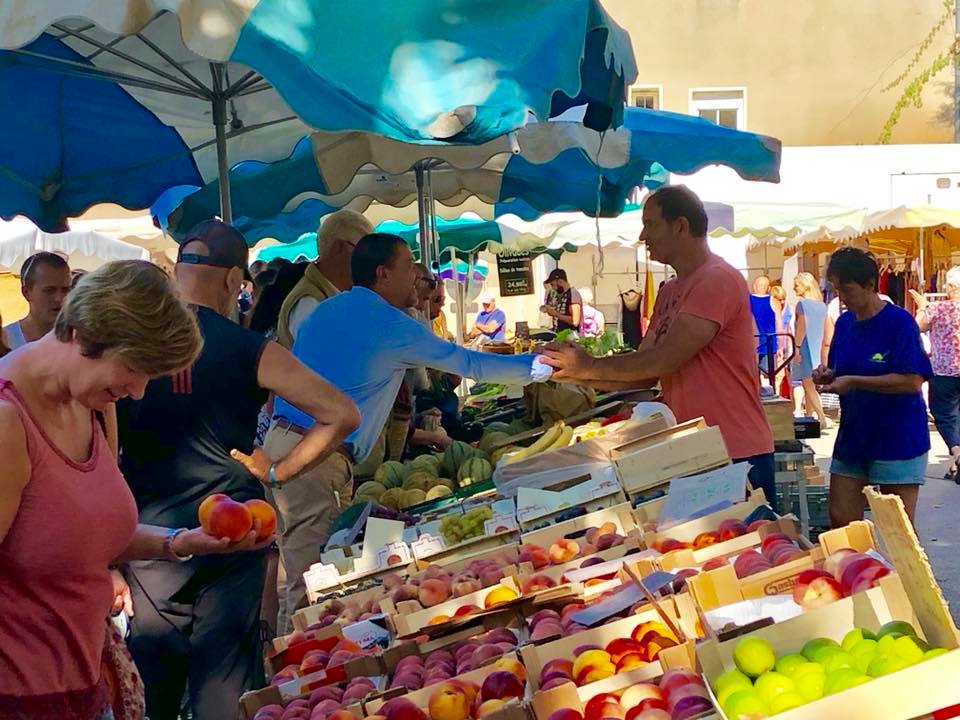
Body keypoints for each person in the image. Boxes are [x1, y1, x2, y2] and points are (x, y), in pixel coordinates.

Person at [0, 260, 277, 720]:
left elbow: (75, 532)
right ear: (85, 336)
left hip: (87, 678)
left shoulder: (92, 405)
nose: (138, 392)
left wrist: (178, 543)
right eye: (134, 370)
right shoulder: (9, 420)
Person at [117, 221, 359, 720]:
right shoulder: (247, 346)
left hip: (148, 538)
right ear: (233, 282)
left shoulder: (130, 346)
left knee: (154, 685)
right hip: (232, 531)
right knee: (225, 687)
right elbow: (342, 413)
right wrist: (279, 472)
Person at [269, 233, 552, 628]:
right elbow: (468, 363)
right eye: (408, 268)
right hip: (315, 455)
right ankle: (296, 677)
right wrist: (541, 365)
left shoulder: (330, 309)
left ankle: (289, 663)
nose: (416, 277)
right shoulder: (387, 322)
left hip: (286, 443)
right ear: (383, 274)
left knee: (295, 574)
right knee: (311, 586)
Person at [538, 186, 777, 506]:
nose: (642, 235)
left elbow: (664, 360)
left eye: (650, 224)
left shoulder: (716, 279)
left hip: (733, 450)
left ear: (680, 226)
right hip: (691, 451)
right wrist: (574, 373)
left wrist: (590, 366)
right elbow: (643, 371)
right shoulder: (669, 291)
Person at [813, 247, 931, 527]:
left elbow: (912, 381)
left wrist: (854, 381)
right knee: (841, 518)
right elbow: (841, 370)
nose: (841, 297)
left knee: (897, 527)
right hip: (855, 434)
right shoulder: (844, 324)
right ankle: (855, 567)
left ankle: (902, 571)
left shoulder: (899, 322)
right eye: (836, 288)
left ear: (869, 285)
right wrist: (827, 375)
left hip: (897, 436)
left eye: (847, 289)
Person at [276, 209, 373, 349]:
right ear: (340, 247)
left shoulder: (335, 294)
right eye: (365, 252)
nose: (370, 261)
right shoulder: (309, 302)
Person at [910, 267, 960, 478]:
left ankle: (957, 454)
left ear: (949, 287)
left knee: (944, 415)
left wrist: (922, 307)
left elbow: (914, 328)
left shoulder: (938, 308)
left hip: (944, 371)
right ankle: (955, 465)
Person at [3, 251, 72, 349]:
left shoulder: (82, 341)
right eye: (49, 290)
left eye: (66, 290)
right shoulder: (5, 343)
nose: (59, 298)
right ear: (26, 293)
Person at [791, 272, 833, 426]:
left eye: (796, 285)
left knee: (807, 384)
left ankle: (821, 418)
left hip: (805, 347)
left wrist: (796, 348)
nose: (794, 289)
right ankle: (810, 417)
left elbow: (802, 326)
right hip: (817, 346)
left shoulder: (802, 305)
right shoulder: (822, 306)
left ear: (805, 285)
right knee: (810, 384)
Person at [749, 274, 777, 380]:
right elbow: (779, 322)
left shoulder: (746, 300)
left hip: (752, 342)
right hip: (769, 342)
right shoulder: (773, 301)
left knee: (753, 375)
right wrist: (780, 344)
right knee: (767, 376)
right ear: (768, 288)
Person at [541, 268, 582, 333]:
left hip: (571, 336)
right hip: (561, 334)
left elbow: (575, 321)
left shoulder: (573, 294)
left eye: (553, 285)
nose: (553, 288)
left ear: (560, 281)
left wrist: (556, 314)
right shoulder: (562, 295)